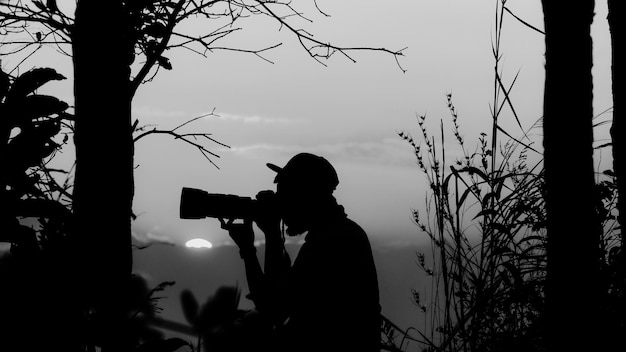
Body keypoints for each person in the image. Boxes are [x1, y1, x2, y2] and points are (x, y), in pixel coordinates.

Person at [220, 153, 381, 352]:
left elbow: (273, 310)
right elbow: (279, 290)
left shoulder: (330, 242)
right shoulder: (341, 233)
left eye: (285, 197)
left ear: (305, 197)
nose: (281, 207)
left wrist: (250, 249)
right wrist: (271, 236)